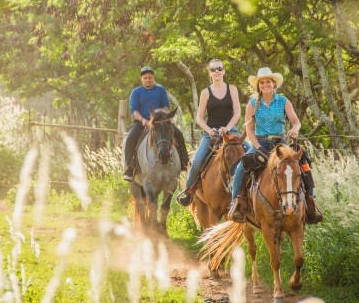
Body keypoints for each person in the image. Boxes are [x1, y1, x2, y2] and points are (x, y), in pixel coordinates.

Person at [229, 67, 323, 224]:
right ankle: (236, 204)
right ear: (258, 86)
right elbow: (249, 130)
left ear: (274, 84)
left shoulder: (283, 101)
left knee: (304, 165)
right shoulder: (252, 104)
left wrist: (294, 129)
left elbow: (296, 122)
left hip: (281, 143)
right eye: (262, 82)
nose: (265, 84)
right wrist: (258, 147)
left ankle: (310, 203)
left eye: (268, 82)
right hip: (261, 142)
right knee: (240, 168)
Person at [177, 59, 251, 206]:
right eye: (213, 69)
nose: (217, 71)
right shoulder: (206, 92)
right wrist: (208, 130)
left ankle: (252, 189)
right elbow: (199, 117)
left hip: (231, 131)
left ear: (224, 71)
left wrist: (228, 128)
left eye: (219, 68)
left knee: (250, 153)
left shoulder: (232, 89)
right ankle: (189, 191)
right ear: (209, 73)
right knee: (197, 161)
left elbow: (237, 113)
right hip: (211, 133)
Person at [123, 66, 189, 181]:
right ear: (141, 79)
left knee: (178, 134)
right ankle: (129, 167)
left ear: (153, 78)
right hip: (142, 122)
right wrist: (143, 120)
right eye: (145, 78)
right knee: (130, 138)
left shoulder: (160, 90)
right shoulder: (136, 92)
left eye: (150, 78)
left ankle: (184, 162)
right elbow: (134, 110)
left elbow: (165, 106)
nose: (148, 80)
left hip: (160, 122)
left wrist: (167, 117)